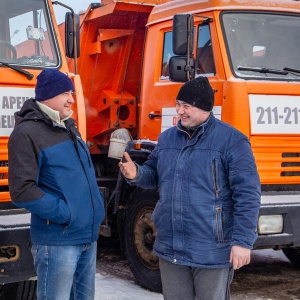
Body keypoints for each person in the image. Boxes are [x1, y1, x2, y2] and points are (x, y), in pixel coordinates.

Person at [119, 76, 261, 300]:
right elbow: (153, 175)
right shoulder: (167, 140)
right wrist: (136, 174)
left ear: (204, 107)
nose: (180, 111)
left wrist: (243, 242)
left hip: (211, 250)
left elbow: (248, 195)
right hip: (171, 248)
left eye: (186, 106)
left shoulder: (232, 141)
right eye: (178, 104)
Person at [8, 69, 105, 300]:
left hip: (86, 239)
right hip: (58, 241)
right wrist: (67, 213)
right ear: (47, 96)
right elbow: (21, 191)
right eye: (65, 93)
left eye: (71, 92)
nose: (71, 99)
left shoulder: (69, 127)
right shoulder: (27, 133)